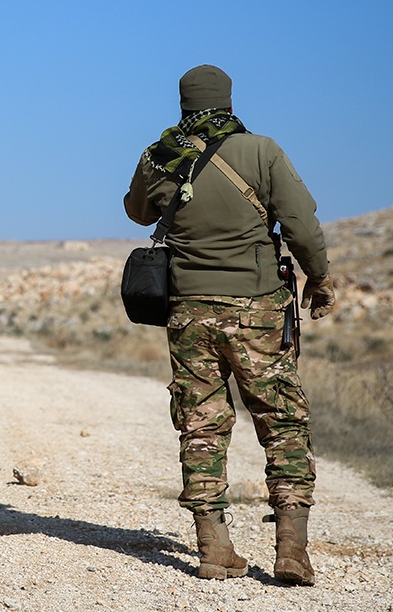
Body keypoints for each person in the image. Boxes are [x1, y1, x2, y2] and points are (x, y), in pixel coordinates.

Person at [123, 64, 336, 585]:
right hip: (258, 309)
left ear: (183, 102)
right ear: (229, 99)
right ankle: (292, 550)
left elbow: (135, 211)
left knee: (201, 424)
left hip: (189, 310)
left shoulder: (161, 155)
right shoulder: (261, 151)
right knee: (282, 421)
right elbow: (302, 226)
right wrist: (320, 277)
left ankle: (213, 548)